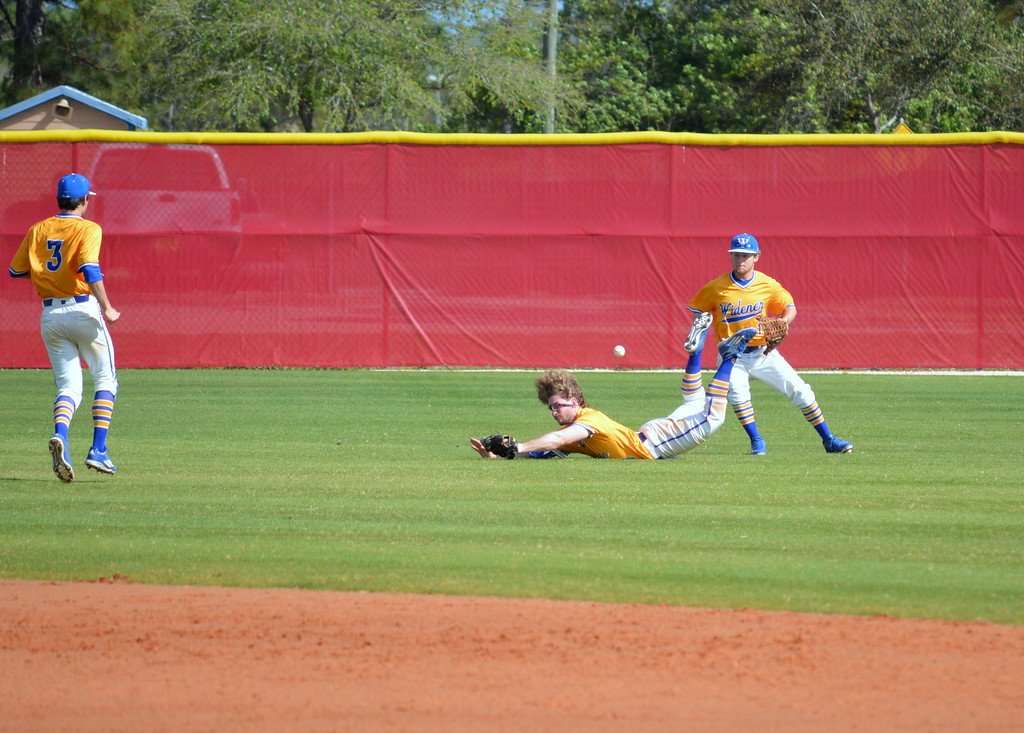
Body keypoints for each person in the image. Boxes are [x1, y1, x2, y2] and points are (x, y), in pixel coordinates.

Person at [470, 328, 757, 459]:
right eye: (550, 408)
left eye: (557, 405)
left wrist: (517, 446)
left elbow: (558, 438)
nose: (554, 411)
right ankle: (695, 352)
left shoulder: (588, 422)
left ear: (575, 401)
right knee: (696, 403)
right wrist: (497, 456)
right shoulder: (576, 430)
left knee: (713, 418)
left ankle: (729, 358)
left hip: (654, 445)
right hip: (649, 435)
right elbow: (548, 448)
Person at [684, 232, 852, 456]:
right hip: (732, 357)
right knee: (738, 395)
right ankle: (757, 440)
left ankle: (829, 440)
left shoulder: (767, 284)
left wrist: (783, 321)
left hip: (764, 353)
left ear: (757, 257)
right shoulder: (717, 287)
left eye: (746, 255)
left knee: (800, 391)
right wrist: (701, 328)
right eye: (736, 255)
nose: (740, 260)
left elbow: (790, 306)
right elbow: (697, 310)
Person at [8, 173, 121, 482]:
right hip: (82, 310)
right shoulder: (88, 228)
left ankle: (61, 436)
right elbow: (89, 267)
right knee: (105, 379)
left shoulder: (38, 229)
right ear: (84, 200)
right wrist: (108, 307)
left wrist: (49, 277)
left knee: (69, 387)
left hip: (51, 317)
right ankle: (98, 450)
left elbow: (16, 270)